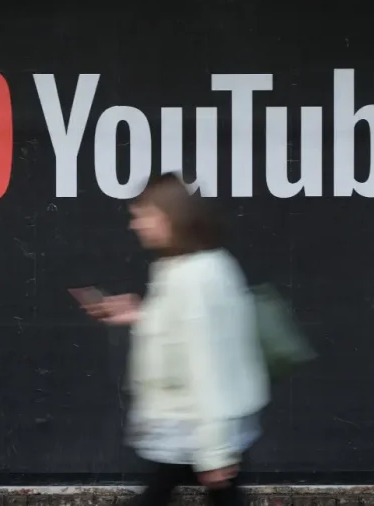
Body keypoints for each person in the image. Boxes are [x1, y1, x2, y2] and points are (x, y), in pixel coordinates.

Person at [77, 172, 270, 506]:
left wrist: (216, 452)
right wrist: (141, 314)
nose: (135, 226)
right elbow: (186, 334)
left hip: (196, 426)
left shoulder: (193, 277)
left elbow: (208, 364)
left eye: (143, 217)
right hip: (193, 426)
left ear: (170, 217)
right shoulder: (190, 267)